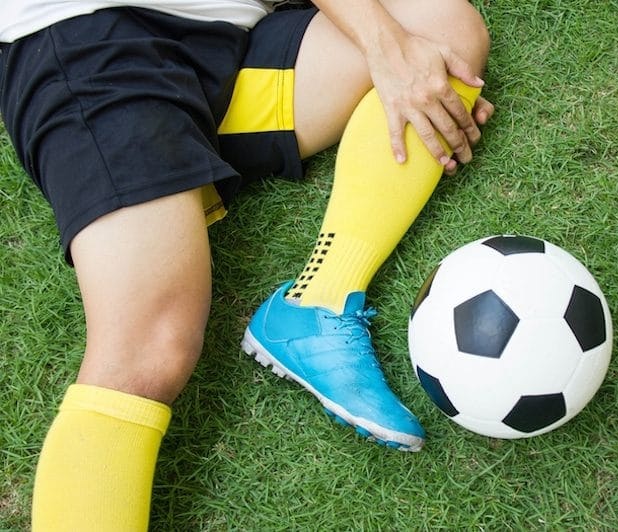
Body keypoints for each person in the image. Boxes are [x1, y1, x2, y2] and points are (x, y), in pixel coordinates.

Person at [0, 0, 493, 529]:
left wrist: (394, 50)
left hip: (228, 44)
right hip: (96, 44)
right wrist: (382, 46)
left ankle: (317, 302)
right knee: (149, 348)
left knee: (440, 36)